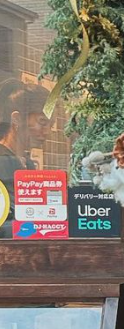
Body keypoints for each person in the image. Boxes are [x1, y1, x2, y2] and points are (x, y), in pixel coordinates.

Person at [0, 79, 51, 238]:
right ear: (16, 119)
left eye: (50, 124)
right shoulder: (3, 161)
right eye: (41, 122)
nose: (47, 131)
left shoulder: (26, 163)